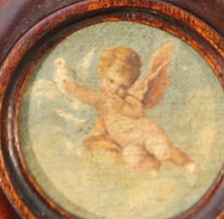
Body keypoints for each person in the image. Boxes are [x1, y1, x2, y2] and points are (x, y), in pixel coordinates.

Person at [54, 42, 196, 174]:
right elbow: (78, 91)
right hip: (127, 142)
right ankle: (156, 171)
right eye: (111, 81)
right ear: (102, 76)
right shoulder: (101, 98)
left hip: (144, 132)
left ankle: (186, 163)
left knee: (162, 149)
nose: (115, 89)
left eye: (123, 86)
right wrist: (63, 71)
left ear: (130, 86)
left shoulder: (128, 100)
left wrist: (124, 104)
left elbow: (136, 112)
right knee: (134, 159)